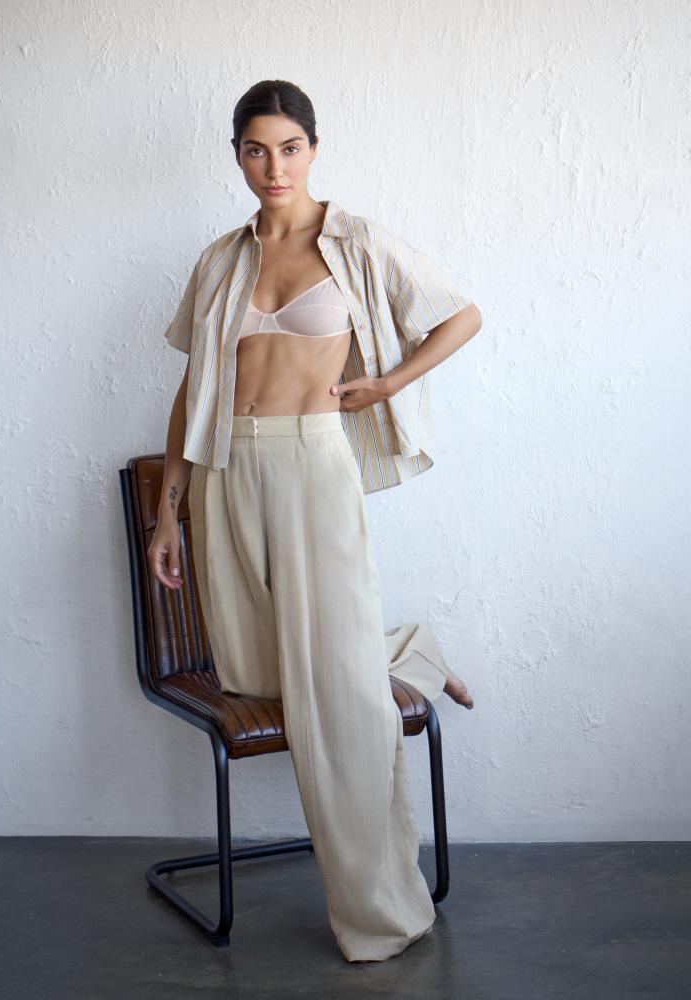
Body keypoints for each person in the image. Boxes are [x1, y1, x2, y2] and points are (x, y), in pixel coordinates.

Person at [148, 79, 482, 962]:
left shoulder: (357, 242)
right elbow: (192, 388)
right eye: (256, 150)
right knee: (261, 672)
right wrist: (169, 509)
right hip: (225, 473)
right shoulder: (220, 259)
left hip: (312, 465)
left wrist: (388, 383)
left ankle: (380, 911)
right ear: (237, 156)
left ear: (314, 149)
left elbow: (462, 316)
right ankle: (408, 650)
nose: (274, 167)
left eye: (289, 148)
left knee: (336, 699)